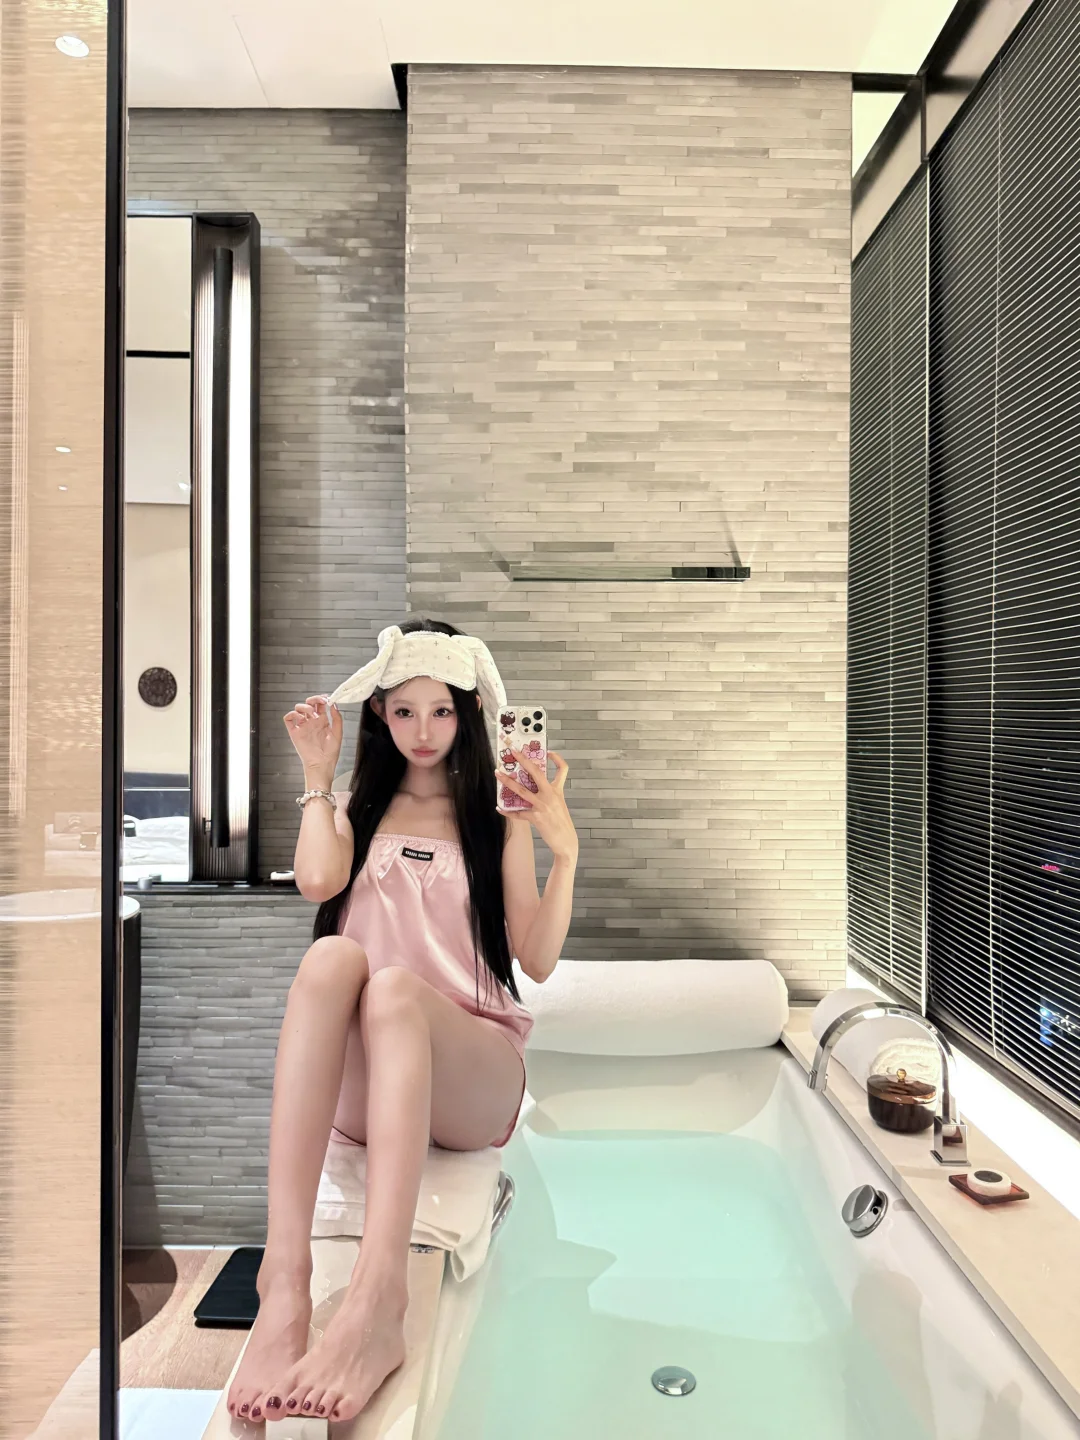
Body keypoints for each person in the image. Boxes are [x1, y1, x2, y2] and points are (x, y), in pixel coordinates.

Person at [226, 618, 578, 1425]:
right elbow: (318, 882)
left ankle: (380, 1295)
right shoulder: (360, 806)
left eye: (443, 711)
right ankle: (284, 1281)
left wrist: (564, 853)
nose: (425, 731)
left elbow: (537, 959)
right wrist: (318, 776)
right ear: (380, 714)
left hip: (470, 1077)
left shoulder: (497, 815)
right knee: (329, 961)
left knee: (391, 991)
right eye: (407, 711)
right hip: (376, 1085)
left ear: (469, 715)